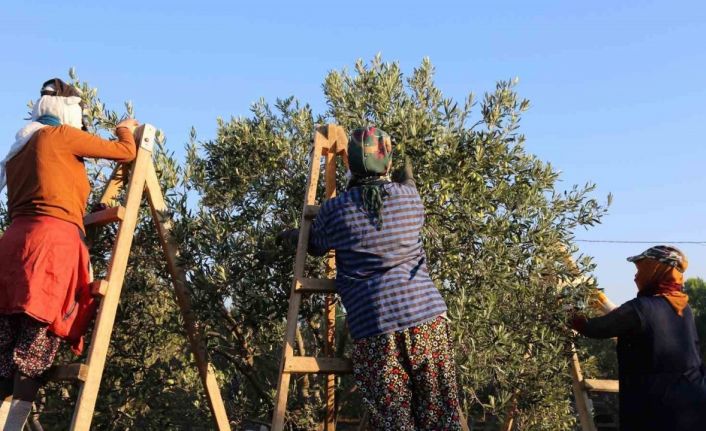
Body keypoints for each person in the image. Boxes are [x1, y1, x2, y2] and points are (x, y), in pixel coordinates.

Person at [282, 126, 462, 430]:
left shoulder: (335, 210)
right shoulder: (409, 198)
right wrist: (409, 179)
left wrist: (292, 236)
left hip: (376, 327)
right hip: (427, 320)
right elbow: (401, 196)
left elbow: (314, 246)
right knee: (441, 418)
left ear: (350, 165)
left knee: (394, 422)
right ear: (387, 163)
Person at [0, 78, 139, 430]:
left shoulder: (19, 148)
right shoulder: (59, 136)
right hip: (49, 247)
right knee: (33, 351)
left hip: (13, 246)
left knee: (4, 354)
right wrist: (124, 129)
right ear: (69, 112)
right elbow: (126, 152)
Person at [572, 245, 706, 430]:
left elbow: (594, 328)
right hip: (694, 405)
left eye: (641, 270)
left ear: (655, 271)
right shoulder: (684, 308)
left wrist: (566, 313)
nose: (636, 277)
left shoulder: (640, 308)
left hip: (656, 411)